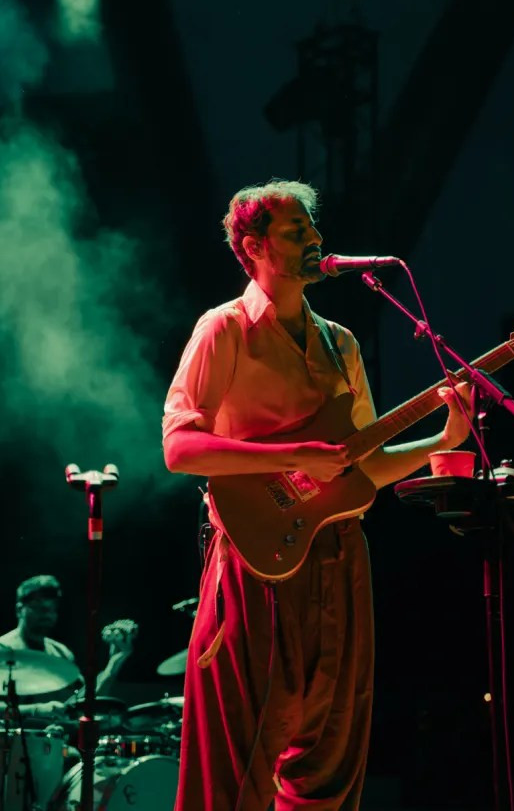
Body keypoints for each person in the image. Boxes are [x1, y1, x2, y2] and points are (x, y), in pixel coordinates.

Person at [162, 179, 474, 811]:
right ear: (253, 248)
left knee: (329, 761)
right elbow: (180, 448)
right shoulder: (223, 329)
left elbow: (360, 465)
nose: (316, 239)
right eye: (296, 231)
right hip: (258, 565)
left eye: (313, 228)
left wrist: (445, 436)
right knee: (240, 762)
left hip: (339, 557)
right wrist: (292, 455)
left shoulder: (341, 342)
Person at [0, 574, 135, 722]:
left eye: (51, 608)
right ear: (19, 609)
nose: (46, 614)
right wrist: (40, 710)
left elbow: (82, 704)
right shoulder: (0, 650)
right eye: (39, 607)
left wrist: (113, 665)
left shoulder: (60, 652)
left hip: (54, 745)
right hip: (9, 745)